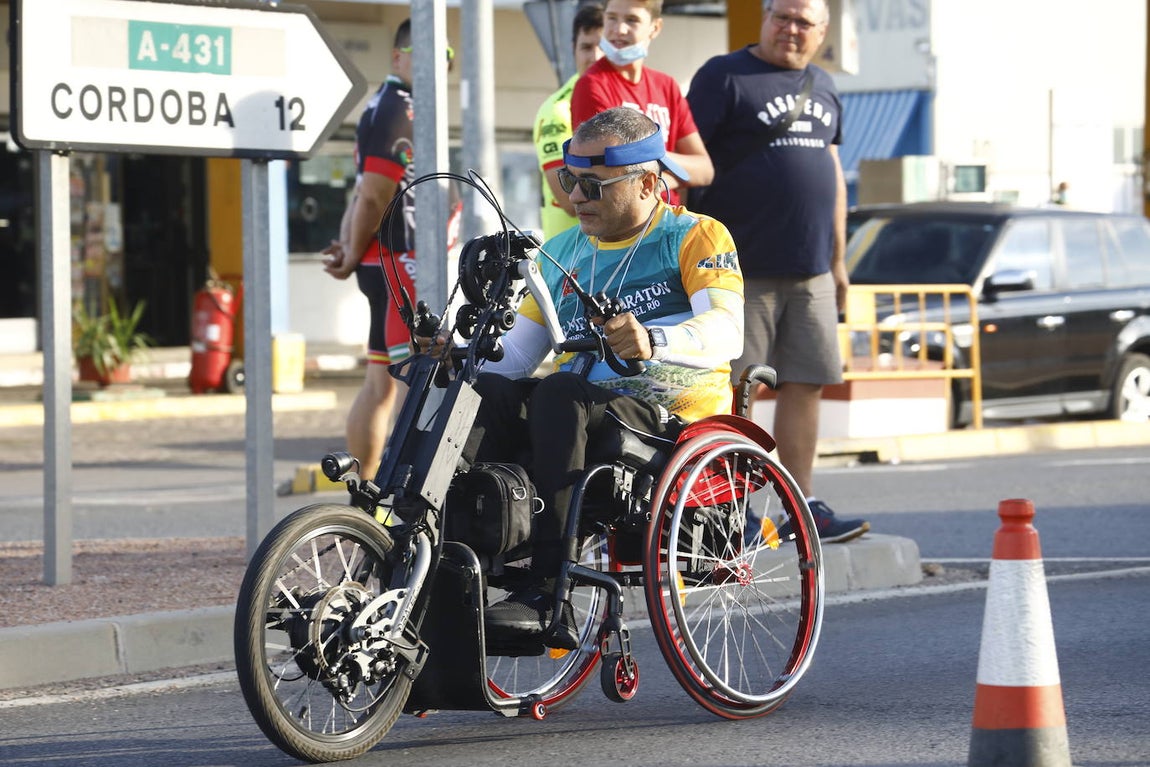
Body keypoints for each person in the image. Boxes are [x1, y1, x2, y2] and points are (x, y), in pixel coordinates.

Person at [433, 108, 744, 646]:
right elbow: (514, 358)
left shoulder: (696, 235)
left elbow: (728, 330)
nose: (575, 196)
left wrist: (654, 339)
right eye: (568, 180)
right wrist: (456, 356)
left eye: (593, 185)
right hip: (576, 414)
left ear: (647, 183)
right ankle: (452, 575)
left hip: (666, 422)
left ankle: (547, 592)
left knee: (560, 393)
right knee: (488, 393)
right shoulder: (560, 253)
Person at [685, 0, 868, 543]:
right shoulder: (724, 76)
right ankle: (728, 512)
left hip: (811, 270)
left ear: (822, 31)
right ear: (764, 19)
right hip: (741, 270)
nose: (790, 29)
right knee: (738, 390)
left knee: (806, 383)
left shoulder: (825, 86)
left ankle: (801, 507)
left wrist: (838, 261)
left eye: (803, 21)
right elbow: (690, 164)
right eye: (780, 17)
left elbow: (831, 172)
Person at [322, 20, 455, 480]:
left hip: (387, 259)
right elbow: (375, 194)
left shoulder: (389, 105)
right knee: (416, 381)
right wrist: (352, 251)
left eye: (445, 57)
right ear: (398, 57)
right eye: (425, 53)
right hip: (402, 260)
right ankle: (398, 492)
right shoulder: (400, 107)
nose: (438, 65)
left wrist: (349, 246)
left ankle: (363, 495)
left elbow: (363, 190)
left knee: (379, 382)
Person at [569, 0, 713, 206]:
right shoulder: (592, 85)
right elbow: (612, 169)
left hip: (666, 217)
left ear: (655, 28)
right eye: (611, 18)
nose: (619, 29)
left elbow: (704, 170)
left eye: (632, 20)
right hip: (625, 222)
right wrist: (673, 172)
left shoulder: (666, 86)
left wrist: (656, 176)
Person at [532, 2, 604, 240]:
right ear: (573, 49)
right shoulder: (557, 110)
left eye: (603, 46)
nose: (595, 56)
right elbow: (567, 199)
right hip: (568, 255)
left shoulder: (627, 101)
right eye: (586, 47)